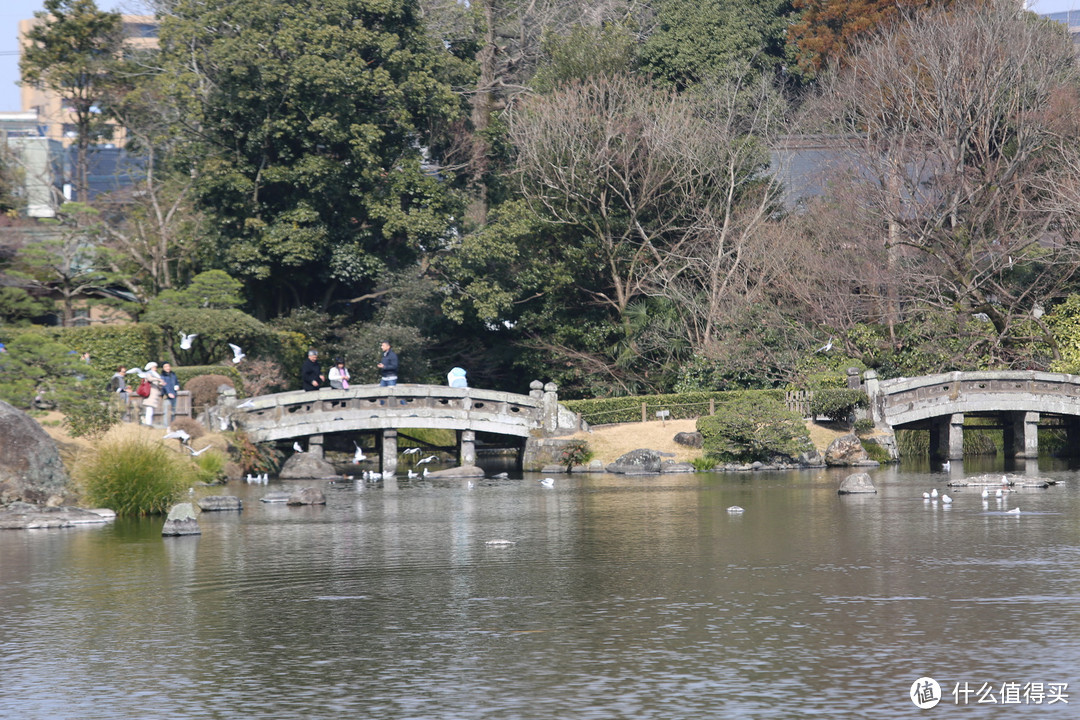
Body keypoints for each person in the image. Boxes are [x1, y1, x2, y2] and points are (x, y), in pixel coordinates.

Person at [141, 361, 165, 427]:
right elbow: (149, 379)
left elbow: (157, 384)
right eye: (154, 367)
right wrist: (158, 379)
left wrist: (160, 384)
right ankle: (148, 424)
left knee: (151, 410)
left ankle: (149, 423)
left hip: (154, 395)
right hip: (150, 395)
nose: (156, 368)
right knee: (149, 410)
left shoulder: (154, 374)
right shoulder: (149, 374)